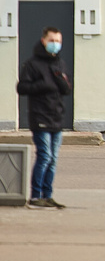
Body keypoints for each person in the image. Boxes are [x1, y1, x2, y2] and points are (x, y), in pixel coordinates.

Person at [16, 26, 71, 209]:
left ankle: (48, 196)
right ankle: (35, 196)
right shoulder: (32, 64)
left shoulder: (59, 64)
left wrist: (61, 81)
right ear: (43, 41)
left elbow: (66, 89)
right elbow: (22, 88)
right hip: (40, 117)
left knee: (53, 159)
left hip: (56, 117)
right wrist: (44, 84)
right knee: (44, 156)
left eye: (58, 41)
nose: (55, 44)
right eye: (52, 41)